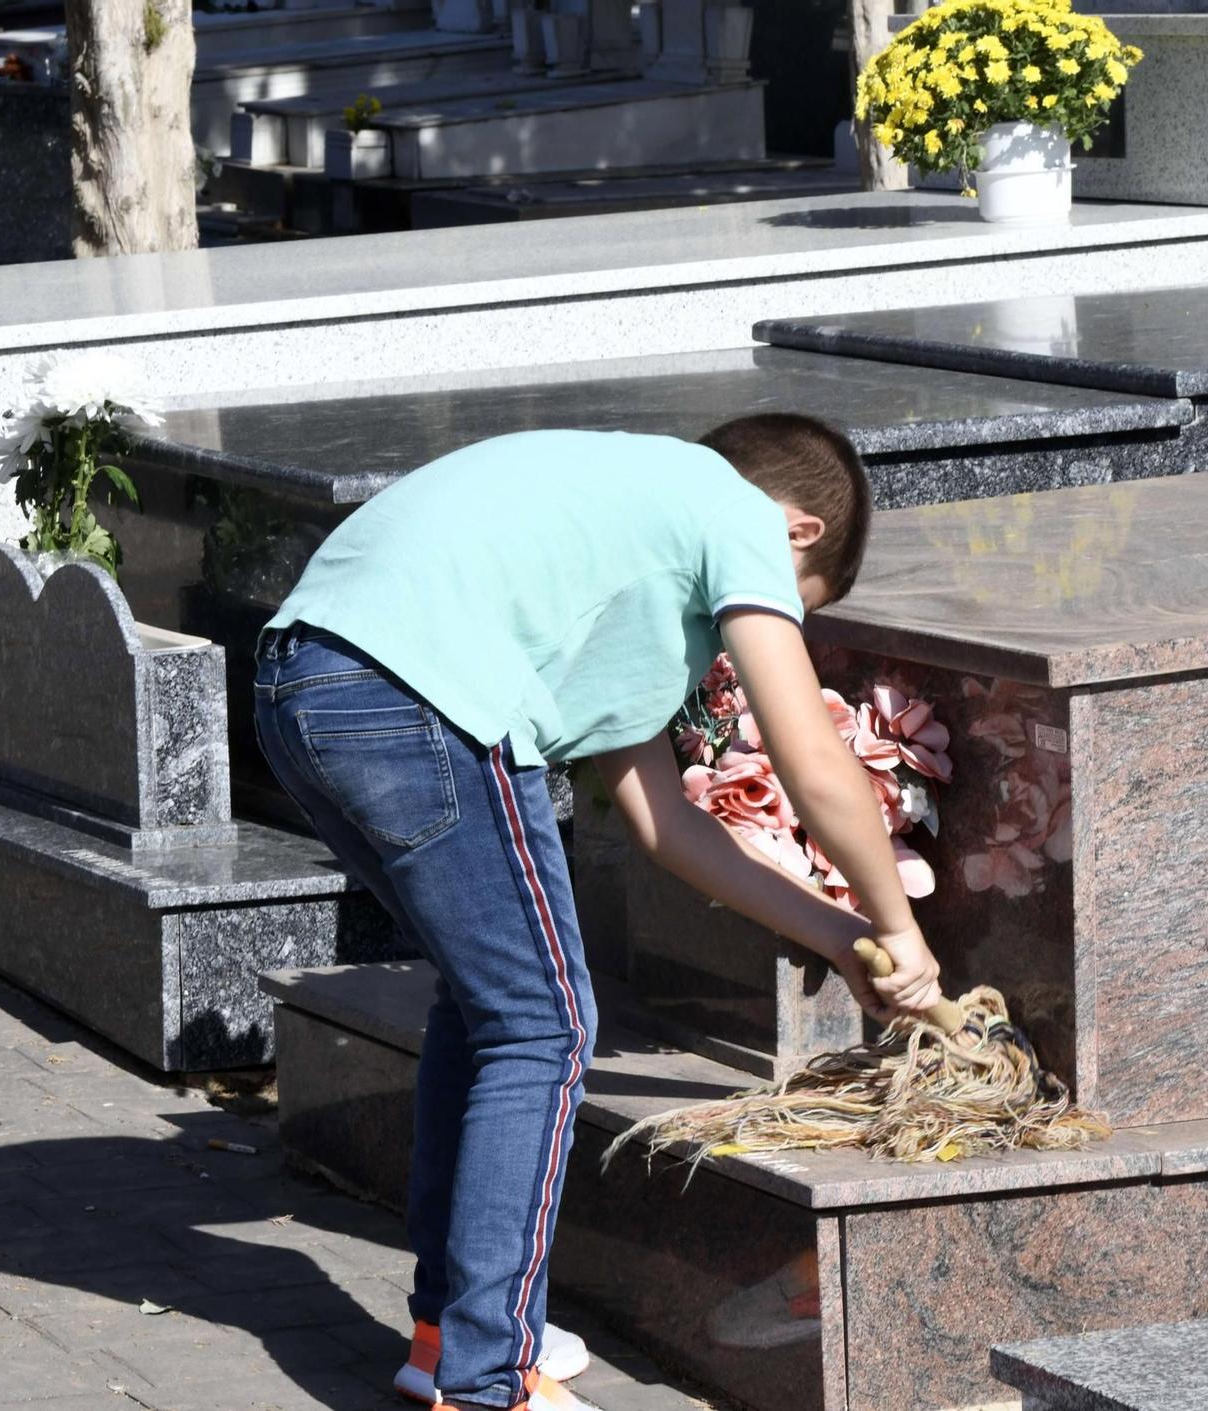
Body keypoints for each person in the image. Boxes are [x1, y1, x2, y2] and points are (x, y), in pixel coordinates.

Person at [251, 415, 946, 1411]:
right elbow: (810, 755)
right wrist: (903, 927)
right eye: (793, 611)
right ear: (795, 533)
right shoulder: (732, 509)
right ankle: (490, 1381)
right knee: (544, 1023)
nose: (739, 646)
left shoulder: (627, 534)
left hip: (304, 683)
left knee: (491, 1006)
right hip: (416, 693)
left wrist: (841, 938)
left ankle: (450, 1336)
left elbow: (666, 824)